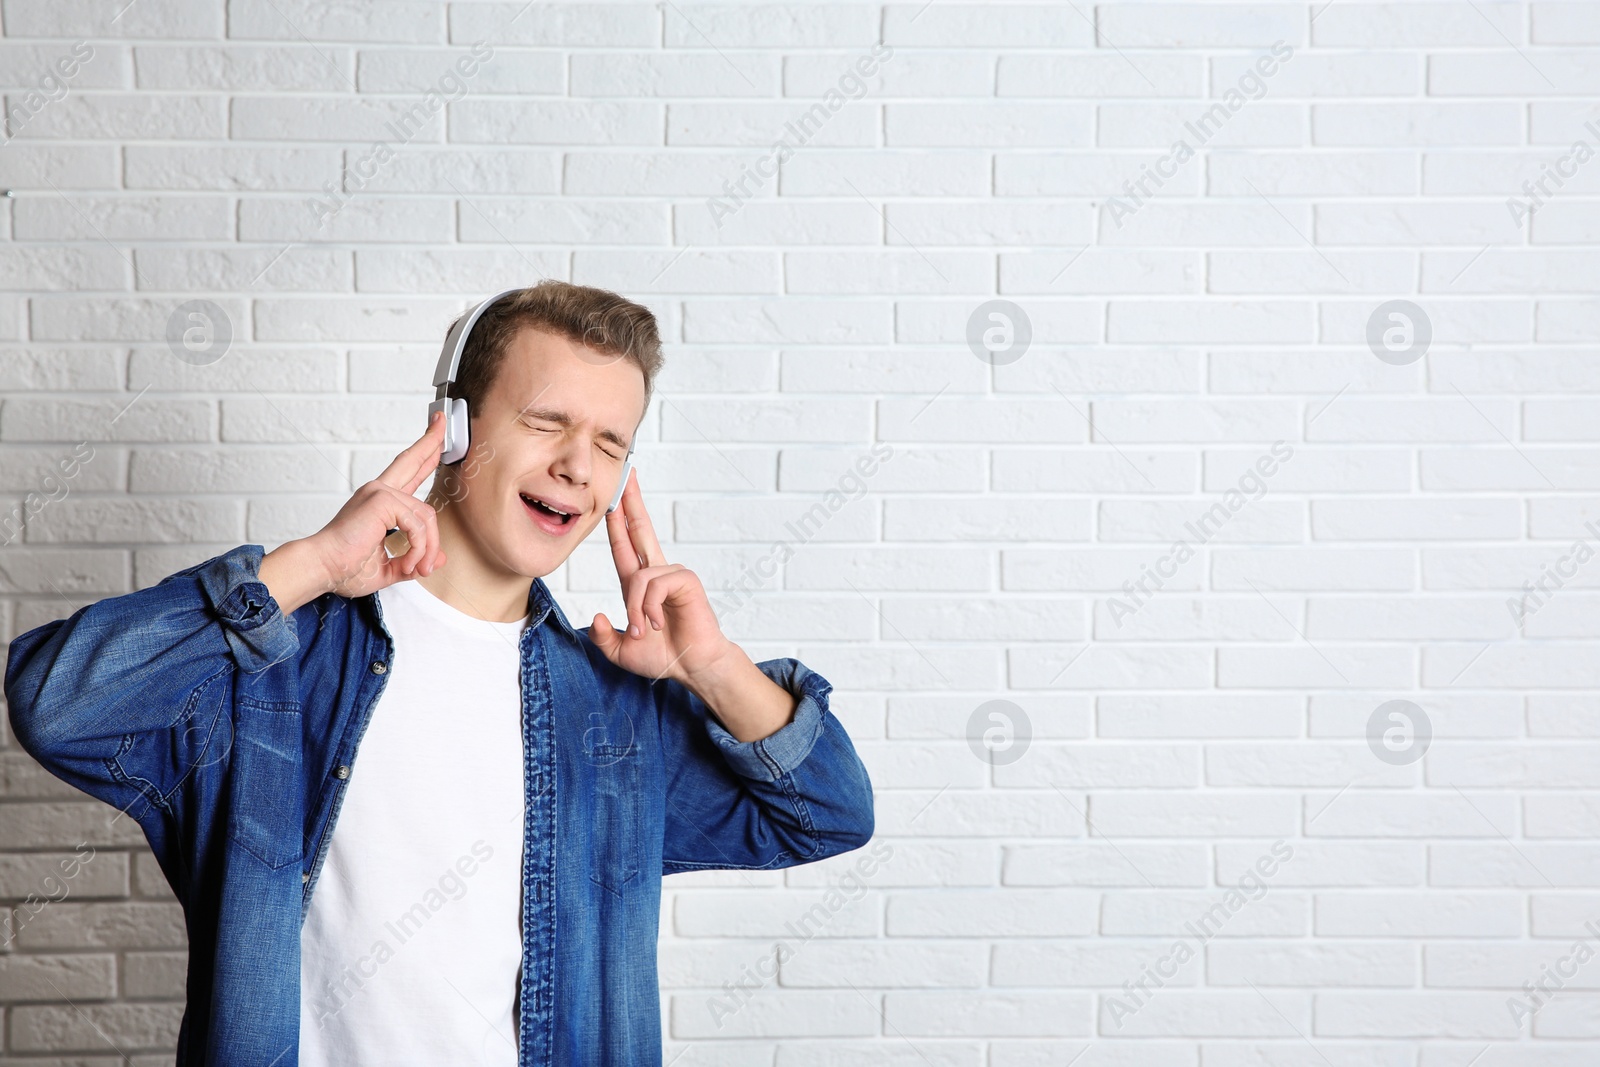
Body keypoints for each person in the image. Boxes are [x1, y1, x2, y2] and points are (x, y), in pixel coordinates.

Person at [4, 281, 876, 1066]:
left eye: (610, 442)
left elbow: (830, 813)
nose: (578, 462)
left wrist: (712, 668)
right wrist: (305, 565)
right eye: (546, 422)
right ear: (455, 428)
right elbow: (55, 703)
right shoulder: (276, 668)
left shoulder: (615, 718)